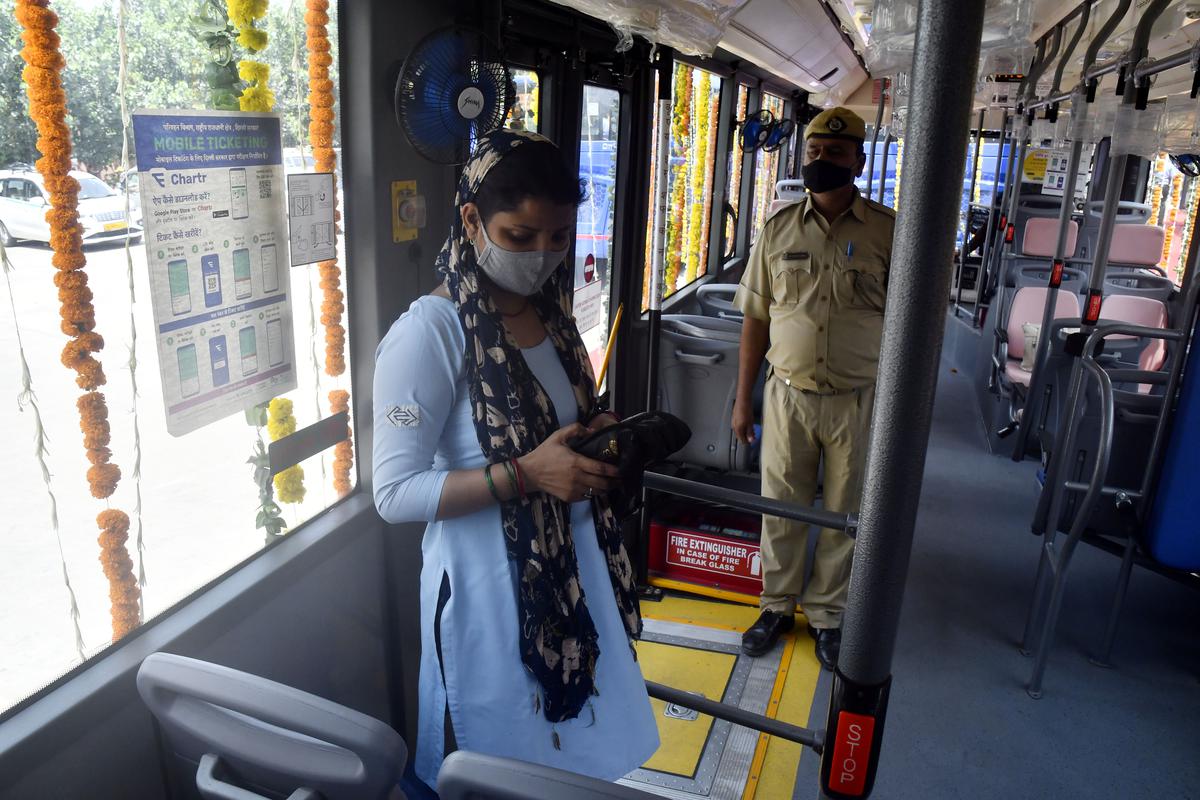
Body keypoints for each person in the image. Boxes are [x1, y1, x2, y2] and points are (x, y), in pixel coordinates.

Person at [372, 130, 659, 790]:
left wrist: (592, 435)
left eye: (559, 237)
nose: (542, 255)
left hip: (569, 574)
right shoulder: (433, 332)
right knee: (492, 759)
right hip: (485, 588)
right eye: (521, 235)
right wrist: (527, 474)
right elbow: (394, 493)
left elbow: (553, 431)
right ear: (471, 218)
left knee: (565, 759)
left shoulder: (550, 320)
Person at [730, 107, 896, 671]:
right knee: (780, 506)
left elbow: (911, 325)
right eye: (814, 153)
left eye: (836, 153)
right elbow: (755, 319)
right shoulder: (777, 230)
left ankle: (827, 614)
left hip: (859, 397)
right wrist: (740, 400)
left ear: (859, 161)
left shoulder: (889, 232)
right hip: (788, 395)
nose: (822, 161)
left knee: (847, 511)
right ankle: (776, 604)